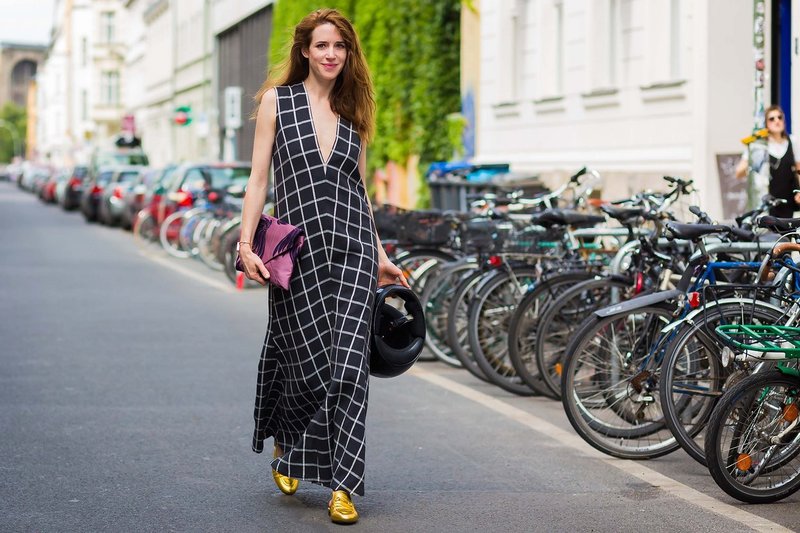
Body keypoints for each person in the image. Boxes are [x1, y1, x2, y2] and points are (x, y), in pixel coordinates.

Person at [237, 8, 410, 525]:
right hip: (299, 252)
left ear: (347, 53)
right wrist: (247, 244)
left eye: (340, 46)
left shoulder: (354, 113)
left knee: (349, 369)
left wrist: (379, 255)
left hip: (353, 249)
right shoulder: (277, 102)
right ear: (305, 51)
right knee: (304, 362)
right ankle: (288, 443)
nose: (331, 54)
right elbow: (258, 181)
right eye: (322, 45)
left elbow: (359, 192)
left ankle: (343, 485)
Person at [736, 104, 800, 217]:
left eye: (780, 117)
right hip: (767, 202)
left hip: (789, 201)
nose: (777, 121)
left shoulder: (792, 141)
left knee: (789, 233)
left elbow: (798, 169)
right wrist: (753, 154)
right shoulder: (759, 146)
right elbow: (739, 172)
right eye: (772, 119)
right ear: (765, 123)